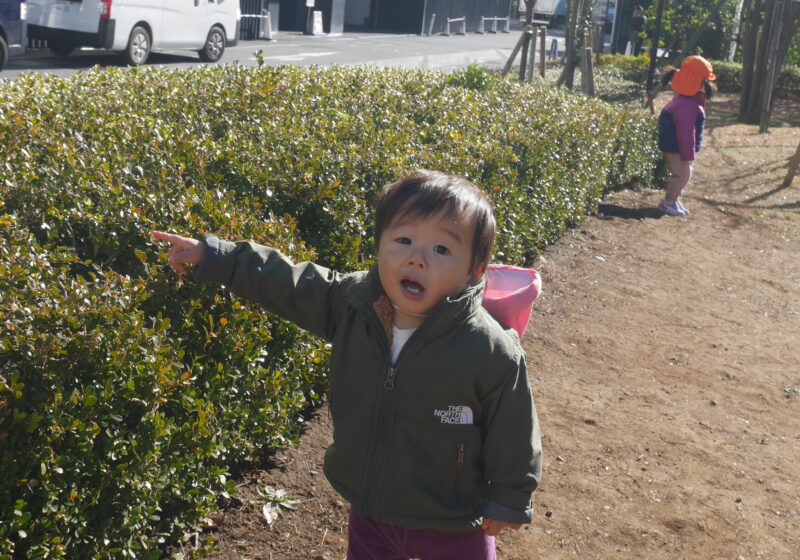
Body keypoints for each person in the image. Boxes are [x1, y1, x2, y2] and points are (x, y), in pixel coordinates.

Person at [152, 170, 543, 560]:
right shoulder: (351, 304)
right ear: (379, 245)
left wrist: (509, 496)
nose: (416, 258)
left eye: (442, 249)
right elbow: (286, 282)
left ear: (475, 270)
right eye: (403, 239)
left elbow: (513, 428)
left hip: (453, 520)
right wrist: (218, 257)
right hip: (370, 509)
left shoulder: (489, 349)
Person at [657, 55, 717, 217]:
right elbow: (685, 132)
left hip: (678, 147)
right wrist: (687, 154)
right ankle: (667, 202)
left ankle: (673, 200)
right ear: (698, 83)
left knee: (686, 173)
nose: (710, 86)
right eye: (706, 82)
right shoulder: (687, 105)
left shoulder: (689, 100)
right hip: (675, 147)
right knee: (680, 175)